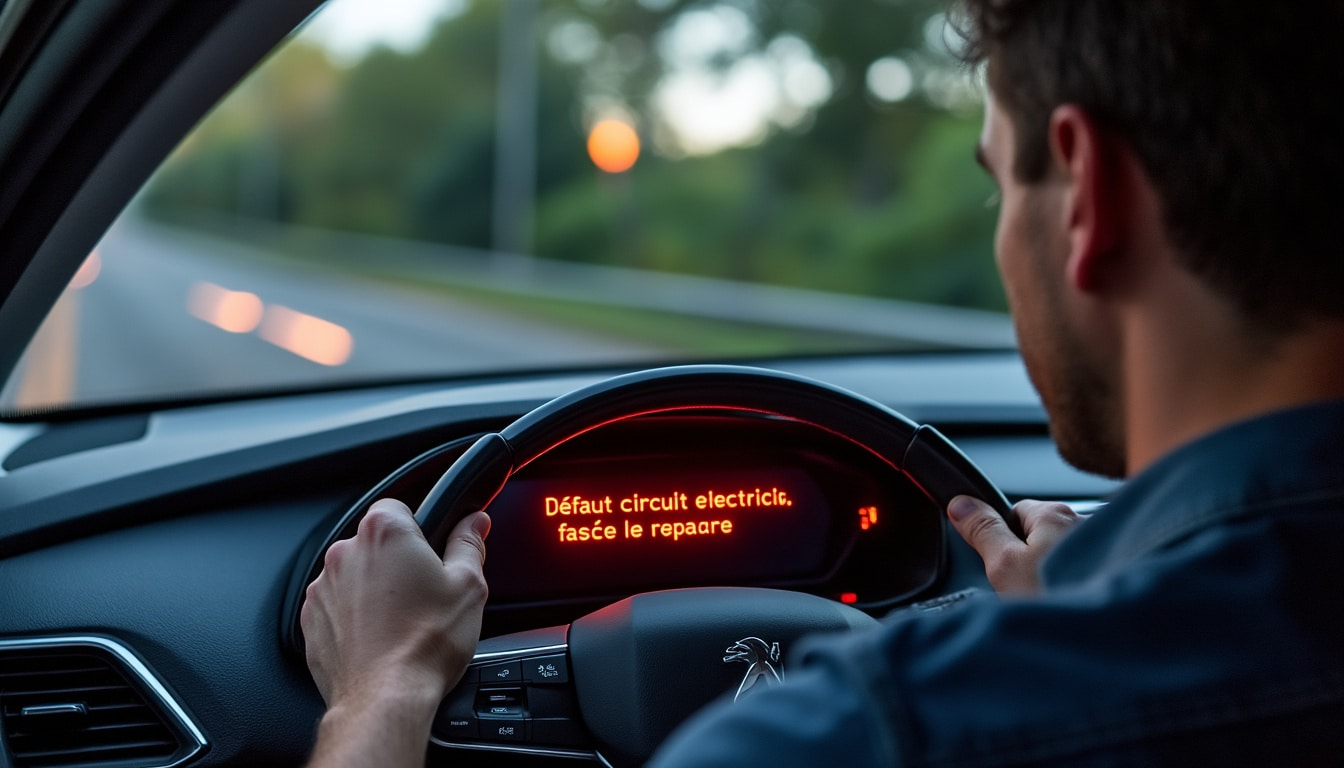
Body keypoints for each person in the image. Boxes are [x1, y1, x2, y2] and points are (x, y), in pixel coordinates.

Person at [300, 0, 1344, 764]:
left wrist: (380, 691)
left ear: (1087, 198)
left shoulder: (851, 738)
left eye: (998, 186)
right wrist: (1101, 608)